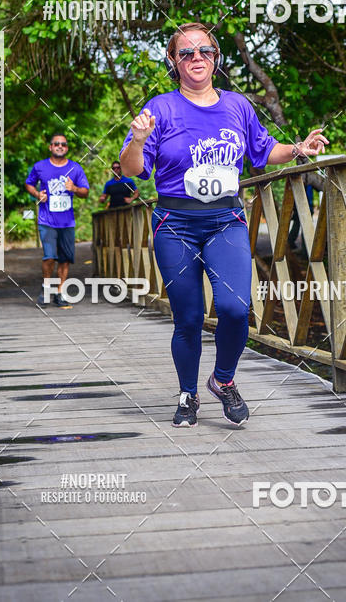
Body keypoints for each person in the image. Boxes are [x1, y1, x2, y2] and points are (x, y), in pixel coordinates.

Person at [119, 22, 328, 427]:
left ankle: (223, 380)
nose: (196, 59)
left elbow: (264, 151)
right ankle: (188, 395)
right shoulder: (160, 108)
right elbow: (133, 169)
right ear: (173, 61)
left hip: (225, 220)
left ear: (216, 58)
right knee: (190, 317)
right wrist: (139, 140)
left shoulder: (237, 105)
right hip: (176, 223)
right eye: (186, 53)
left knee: (235, 308)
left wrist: (299, 148)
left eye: (204, 51)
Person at [25, 133, 90, 308]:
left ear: (66, 148)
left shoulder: (75, 168)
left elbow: (85, 192)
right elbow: (29, 183)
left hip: (67, 222)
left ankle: (60, 292)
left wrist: (74, 188)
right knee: (49, 256)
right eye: (56, 144)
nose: (60, 146)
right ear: (51, 147)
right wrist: (37, 194)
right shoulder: (40, 167)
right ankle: (46, 288)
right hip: (47, 220)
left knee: (65, 259)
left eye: (63, 144)